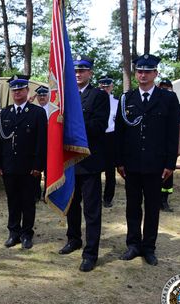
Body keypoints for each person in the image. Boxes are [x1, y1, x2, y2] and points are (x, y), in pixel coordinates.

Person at [115, 54, 180, 266]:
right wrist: (119, 161)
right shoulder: (126, 99)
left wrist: (170, 164)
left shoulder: (168, 98)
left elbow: (172, 134)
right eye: (140, 71)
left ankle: (149, 247)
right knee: (133, 206)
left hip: (156, 164)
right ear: (135, 74)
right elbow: (120, 133)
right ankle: (133, 245)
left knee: (152, 207)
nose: (143, 75)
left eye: (148, 71)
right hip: (132, 164)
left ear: (155, 73)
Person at [58, 56, 109, 272]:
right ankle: (74, 239)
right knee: (71, 204)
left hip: (89, 161)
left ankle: (91, 253)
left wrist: (73, 128)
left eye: (83, 70)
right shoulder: (65, 96)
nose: (78, 74)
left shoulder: (98, 96)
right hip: (69, 160)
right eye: (75, 71)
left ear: (90, 73)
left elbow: (99, 125)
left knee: (91, 209)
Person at [0, 75, 47, 250]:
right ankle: (13, 233)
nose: (17, 92)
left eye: (21, 89)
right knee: (13, 201)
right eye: (14, 90)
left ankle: (26, 234)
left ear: (27, 91)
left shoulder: (37, 113)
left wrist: (39, 166)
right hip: (9, 166)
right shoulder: (4, 113)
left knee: (28, 202)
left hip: (29, 167)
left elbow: (41, 142)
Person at [158, 78, 180, 212]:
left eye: (167, 87)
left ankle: (164, 200)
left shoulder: (175, 105)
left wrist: (179, 146)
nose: (165, 89)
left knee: (168, 173)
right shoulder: (154, 102)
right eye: (162, 87)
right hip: (156, 146)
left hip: (169, 146)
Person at [98, 75, 119, 208]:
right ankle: (96, 196)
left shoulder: (117, 102)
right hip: (98, 136)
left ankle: (108, 198)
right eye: (103, 86)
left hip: (111, 137)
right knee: (95, 169)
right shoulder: (95, 100)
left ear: (112, 86)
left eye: (107, 86)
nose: (105, 88)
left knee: (110, 171)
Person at [31, 85, 50, 202]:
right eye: (39, 95)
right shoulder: (34, 110)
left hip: (49, 145)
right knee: (36, 171)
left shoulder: (53, 110)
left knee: (49, 171)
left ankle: (47, 194)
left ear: (48, 96)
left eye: (44, 95)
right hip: (36, 145)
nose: (42, 97)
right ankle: (35, 194)